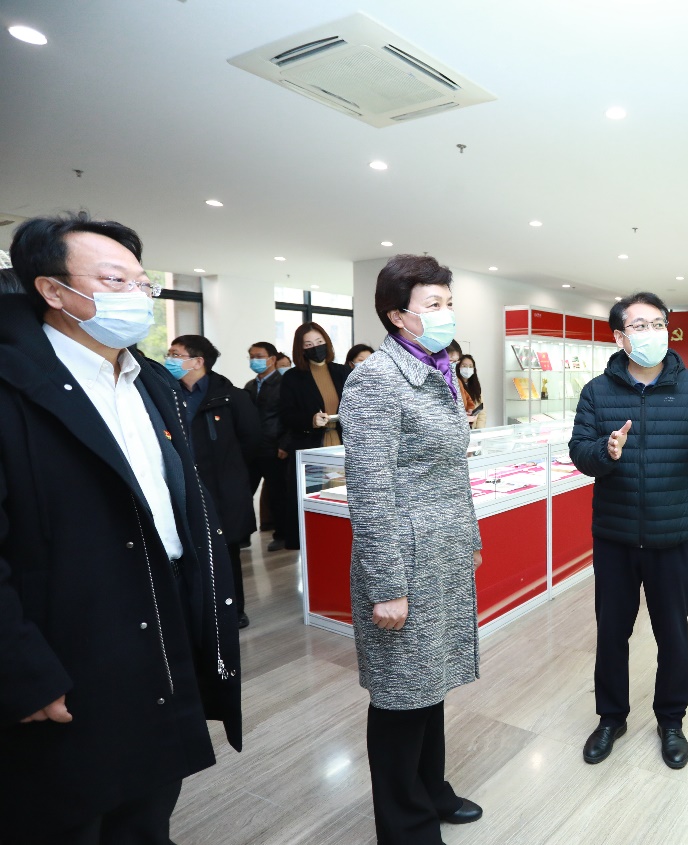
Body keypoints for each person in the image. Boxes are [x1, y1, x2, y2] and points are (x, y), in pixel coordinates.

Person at [0, 213, 241, 843]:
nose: (137, 297)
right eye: (115, 281)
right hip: (68, 630)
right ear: (52, 290)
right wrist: (20, 670)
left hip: (163, 604)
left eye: (142, 284)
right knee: (69, 805)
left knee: (152, 791)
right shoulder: (14, 386)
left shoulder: (149, 380)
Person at [569, 291, 688, 770]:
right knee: (612, 633)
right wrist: (605, 452)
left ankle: (671, 720)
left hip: (673, 536)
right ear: (620, 337)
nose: (652, 333)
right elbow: (580, 452)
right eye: (640, 325)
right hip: (615, 537)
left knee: (672, 633)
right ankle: (611, 718)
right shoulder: (596, 392)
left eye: (658, 324)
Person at [340, 254, 484, 845]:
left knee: (430, 682)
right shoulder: (376, 380)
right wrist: (387, 586)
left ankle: (432, 790)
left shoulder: (436, 369)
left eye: (449, 303)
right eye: (433, 304)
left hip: (442, 552)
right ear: (398, 315)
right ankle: (405, 825)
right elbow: (370, 492)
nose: (446, 313)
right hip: (404, 560)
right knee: (401, 694)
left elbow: (451, 471)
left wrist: (470, 538)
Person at [167, 335, 262, 628]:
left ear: (198, 362)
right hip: (182, 487)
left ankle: (233, 611)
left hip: (223, 490)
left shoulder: (232, 398)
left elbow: (253, 446)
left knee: (226, 553)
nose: (169, 360)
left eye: (176, 355)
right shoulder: (167, 395)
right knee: (187, 551)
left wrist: (238, 483)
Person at [277, 322, 350, 550]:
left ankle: (343, 546)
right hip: (312, 448)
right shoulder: (292, 377)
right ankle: (317, 550)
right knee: (317, 501)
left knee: (343, 500)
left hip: (343, 445)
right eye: (308, 344)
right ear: (300, 349)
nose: (315, 347)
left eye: (319, 342)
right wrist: (310, 420)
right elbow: (286, 415)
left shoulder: (342, 372)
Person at [244, 341, 287, 552]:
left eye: (259, 356)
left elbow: (286, 417)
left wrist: (284, 444)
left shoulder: (283, 384)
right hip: (252, 448)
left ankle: (282, 535)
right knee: (244, 492)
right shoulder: (250, 386)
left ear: (272, 359)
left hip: (274, 447)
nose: (255, 360)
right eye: (251, 356)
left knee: (277, 494)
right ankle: (243, 534)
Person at [456, 353, 486, 429]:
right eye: (464, 366)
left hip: (473, 429)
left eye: (470, 366)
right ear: (458, 367)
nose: (467, 369)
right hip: (459, 428)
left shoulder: (476, 387)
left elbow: (482, 413)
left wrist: (479, 430)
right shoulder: (455, 384)